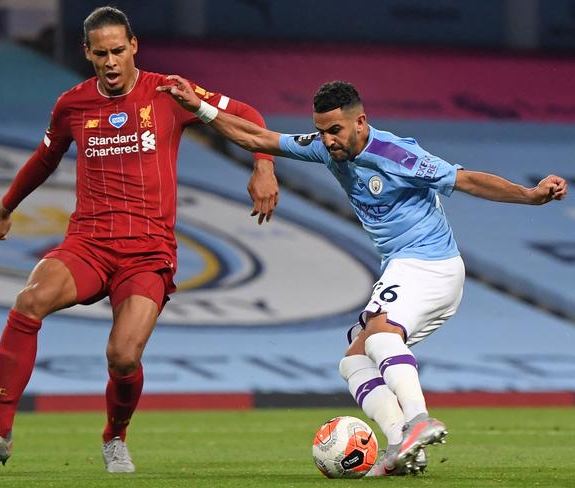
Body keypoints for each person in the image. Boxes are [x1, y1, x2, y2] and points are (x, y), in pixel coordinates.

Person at [158, 76, 569, 476]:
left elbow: (466, 180)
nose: (328, 139)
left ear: (360, 121)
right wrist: (200, 108)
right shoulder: (326, 148)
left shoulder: (397, 154)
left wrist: (530, 196)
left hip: (429, 263)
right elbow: (257, 139)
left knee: (380, 332)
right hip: (407, 268)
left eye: (335, 129)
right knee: (354, 361)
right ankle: (402, 447)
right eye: (321, 131)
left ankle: (420, 421)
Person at [0, 7, 278, 474]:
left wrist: (264, 167)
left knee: (123, 356)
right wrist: (6, 207)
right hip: (89, 242)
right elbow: (45, 159)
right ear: (87, 52)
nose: (110, 61)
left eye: (118, 51)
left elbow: (246, 114)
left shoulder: (169, 93)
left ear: (134, 46)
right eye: (100, 53)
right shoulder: (72, 105)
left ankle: (115, 436)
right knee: (29, 301)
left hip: (148, 251)